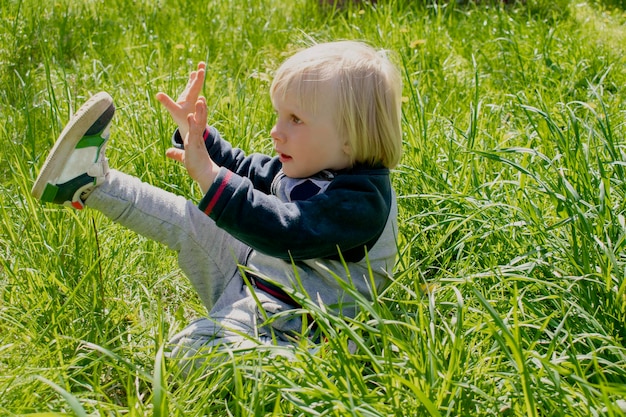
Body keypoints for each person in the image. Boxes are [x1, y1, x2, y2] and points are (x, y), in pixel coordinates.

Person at [31, 40, 403, 371]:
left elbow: (286, 231)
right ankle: (87, 182)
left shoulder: (363, 202)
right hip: (255, 276)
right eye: (279, 114)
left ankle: (297, 365)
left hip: (294, 322)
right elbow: (242, 167)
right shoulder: (310, 164)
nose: (276, 130)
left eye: (296, 119)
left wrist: (209, 176)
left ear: (349, 140)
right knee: (186, 218)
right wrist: (198, 135)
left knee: (188, 350)